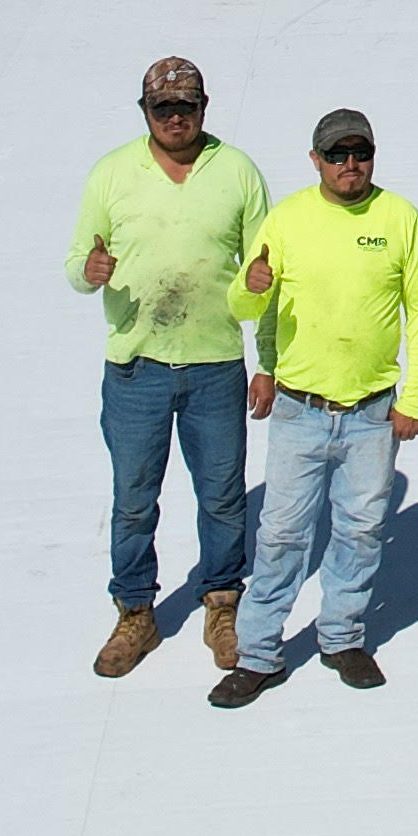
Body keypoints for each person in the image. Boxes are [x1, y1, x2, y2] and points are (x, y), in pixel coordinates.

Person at [213, 109, 418, 707]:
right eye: (336, 155)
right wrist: (250, 289)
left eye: (360, 153)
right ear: (315, 160)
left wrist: (412, 397)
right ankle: (258, 653)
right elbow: (244, 304)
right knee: (282, 534)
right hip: (298, 408)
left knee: (361, 532)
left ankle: (342, 638)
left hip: (371, 412)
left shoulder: (399, 217)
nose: (349, 165)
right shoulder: (285, 220)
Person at [65, 55, 267, 679]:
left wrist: (269, 360)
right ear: (145, 111)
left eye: (188, 107)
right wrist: (89, 272)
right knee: (133, 499)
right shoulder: (112, 173)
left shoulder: (235, 170)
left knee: (224, 498)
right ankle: (135, 613)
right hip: (136, 366)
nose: (176, 118)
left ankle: (222, 603)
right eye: (163, 108)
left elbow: (265, 272)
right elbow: (77, 260)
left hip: (215, 365)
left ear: (205, 108)